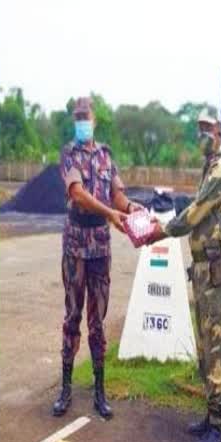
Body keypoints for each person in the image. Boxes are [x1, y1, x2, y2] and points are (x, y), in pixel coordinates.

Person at [145, 107, 221, 442]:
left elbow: (195, 211)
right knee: (203, 348)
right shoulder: (208, 167)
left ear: (219, 133)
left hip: (214, 272)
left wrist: (161, 230)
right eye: (198, 129)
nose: (201, 136)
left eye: (207, 129)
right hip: (202, 270)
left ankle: (218, 427)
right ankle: (209, 416)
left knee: (215, 351)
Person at [52, 96, 144, 419]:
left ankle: (99, 392)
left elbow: (116, 191)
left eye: (85, 116)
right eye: (77, 117)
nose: (81, 121)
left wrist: (130, 208)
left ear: (95, 121)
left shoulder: (106, 156)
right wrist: (110, 214)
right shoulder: (68, 154)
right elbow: (77, 193)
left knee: (97, 321)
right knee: (72, 316)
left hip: (100, 249)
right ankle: (65, 389)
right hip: (76, 246)